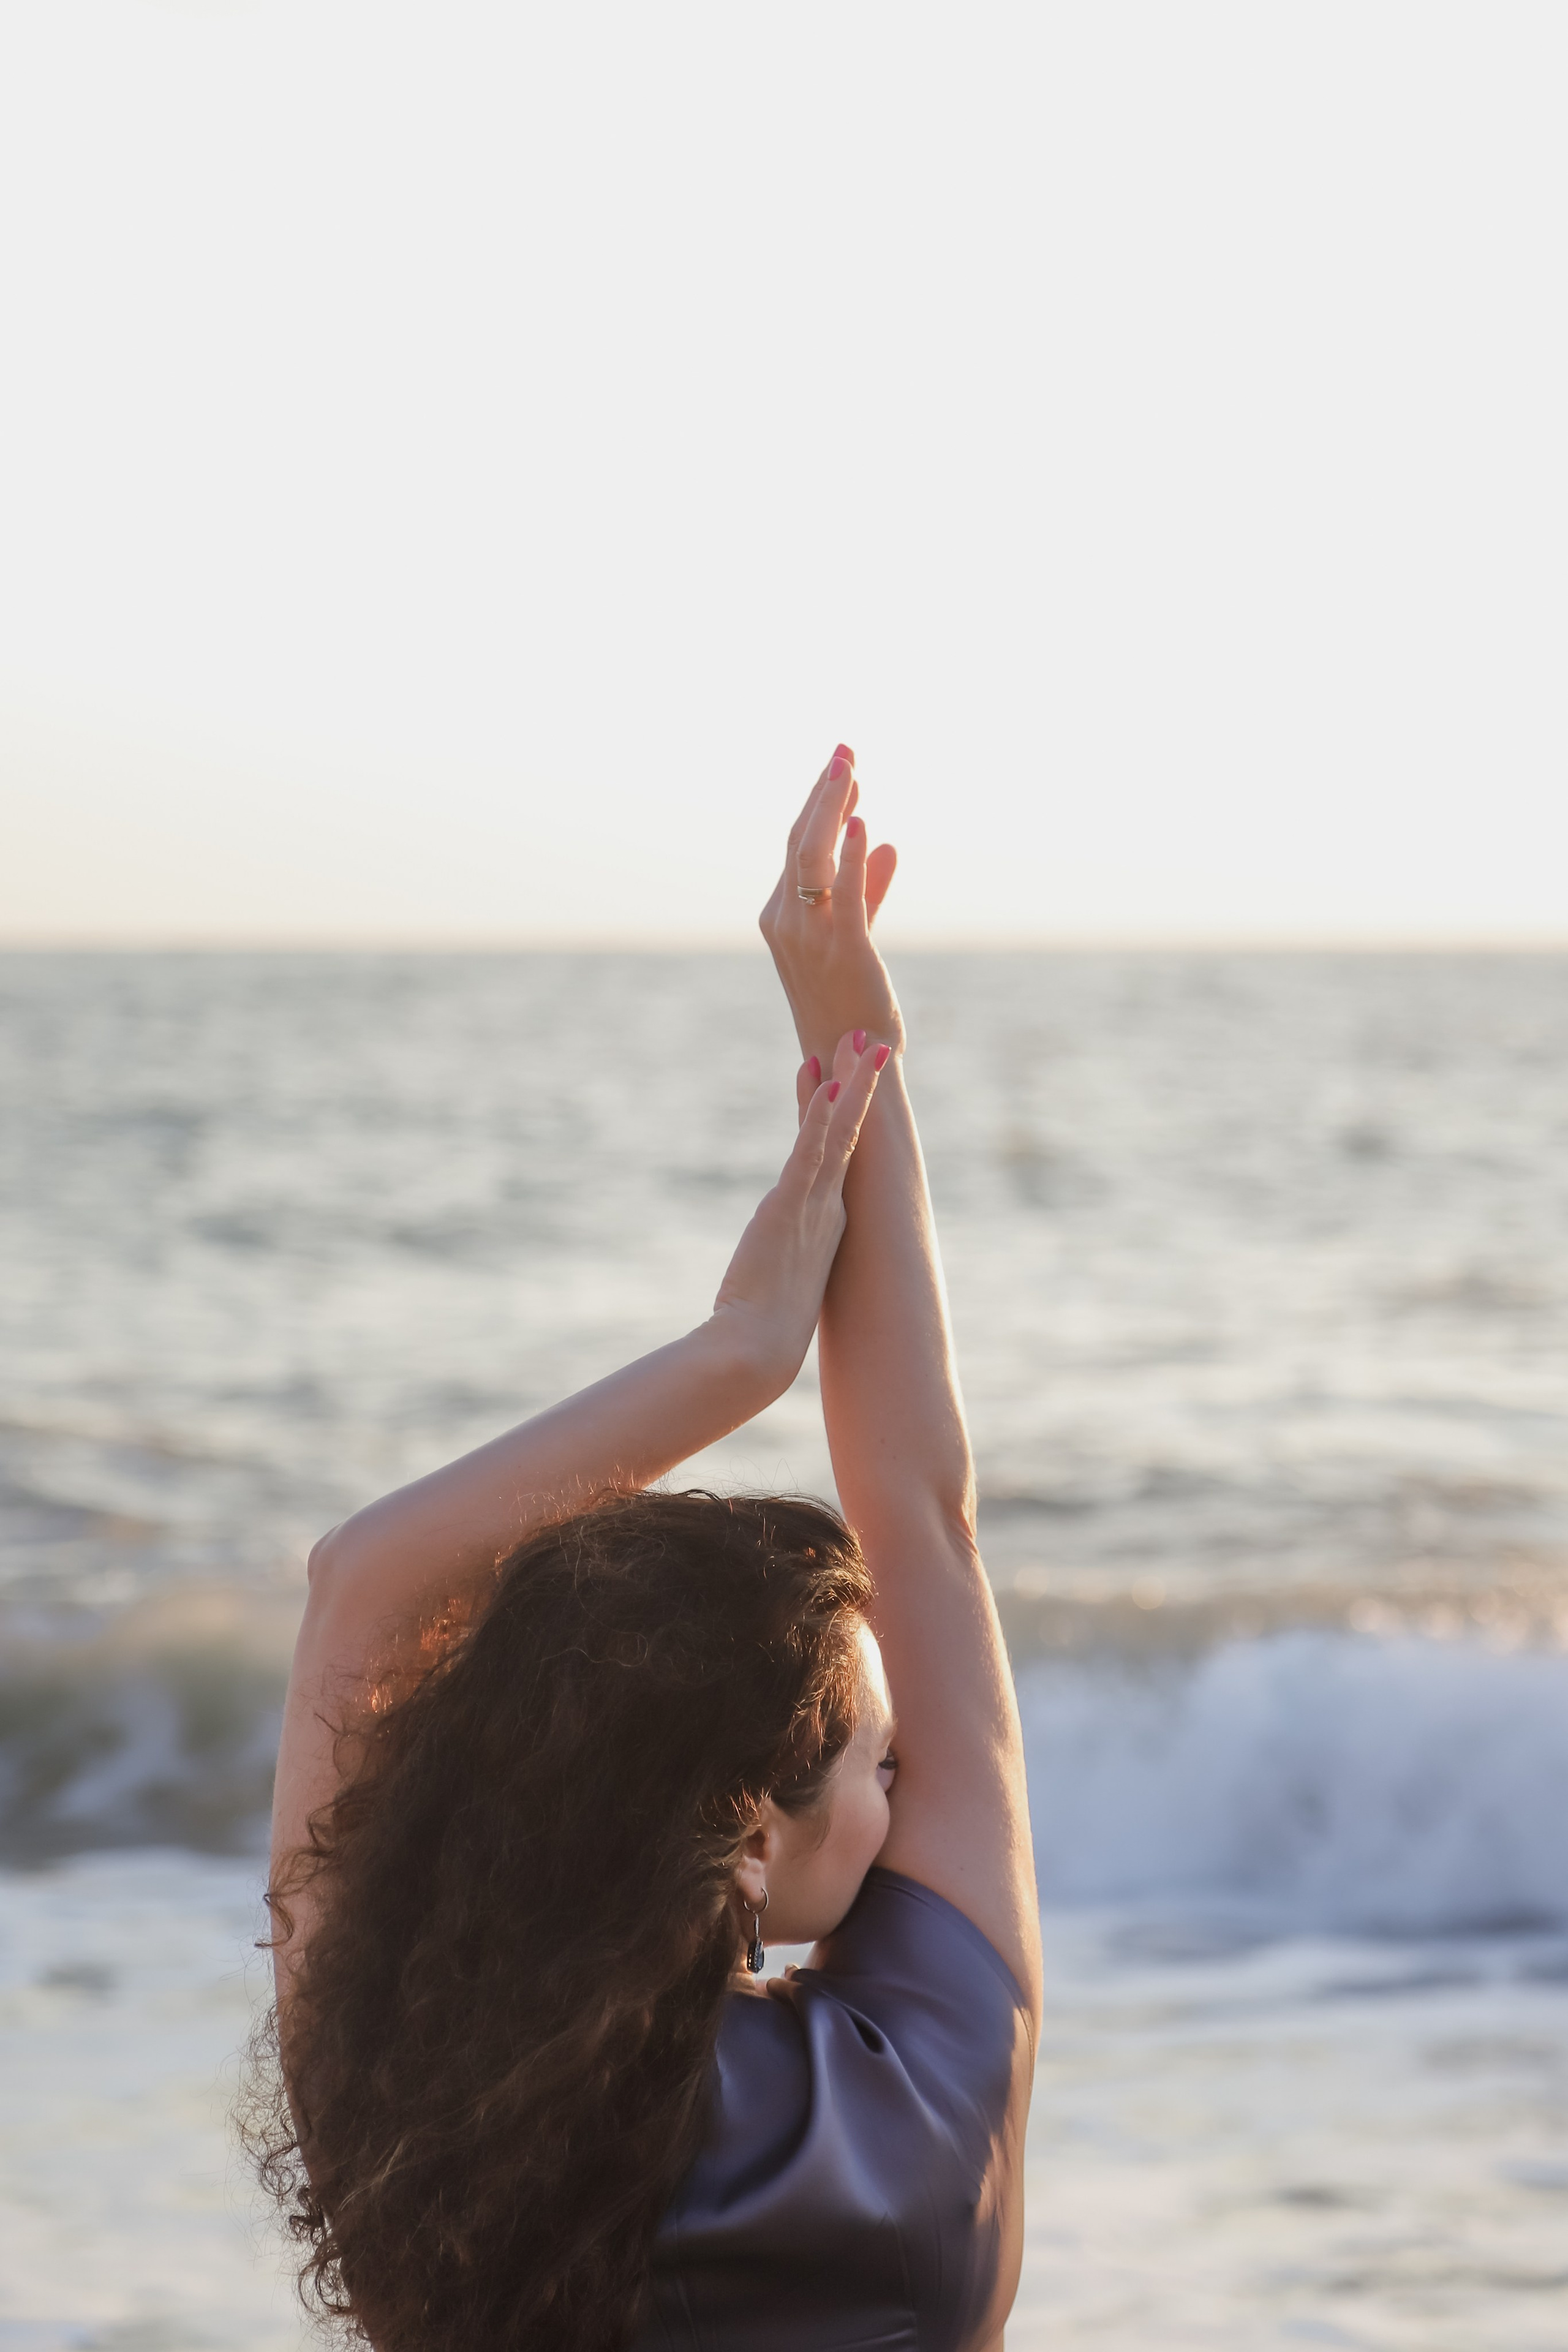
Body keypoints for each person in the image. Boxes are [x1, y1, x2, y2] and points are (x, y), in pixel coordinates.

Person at [253, 749, 1042, 2352]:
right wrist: (854, 1039)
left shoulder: (403, 2089)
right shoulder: (912, 2113)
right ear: (745, 1837)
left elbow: (365, 1587)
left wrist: (734, 1355)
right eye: (880, 1763)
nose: (901, 1806)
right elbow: (927, 1518)